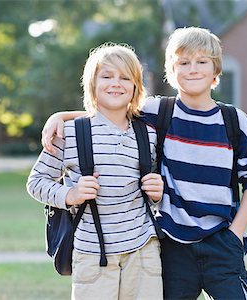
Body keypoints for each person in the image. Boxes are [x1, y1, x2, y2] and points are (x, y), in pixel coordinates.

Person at [41, 27, 247, 300]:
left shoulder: (235, 121)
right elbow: (112, 111)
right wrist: (61, 116)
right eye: (183, 63)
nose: (192, 69)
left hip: (222, 240)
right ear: (172, 71)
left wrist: (235, 233)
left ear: (216, 70)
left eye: (202, 61)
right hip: (172, 244)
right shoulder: (159, 111)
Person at [27, 43, 164, 300]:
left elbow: (156, 189)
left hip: (143, 250)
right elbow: (36, 182)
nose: (116, 83)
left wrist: (159, 191)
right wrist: (71, 194)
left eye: (126, 77)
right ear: (92, 84)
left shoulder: (148, 133)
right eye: (107, 76)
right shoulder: (69, 133)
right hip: (92, 252)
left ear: (136, 87)